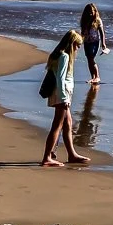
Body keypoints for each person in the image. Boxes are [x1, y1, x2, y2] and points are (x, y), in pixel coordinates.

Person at [40, 30, 90, 167]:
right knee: (57, 125)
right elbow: (61, 79)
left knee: (68, 123)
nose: (78, 49)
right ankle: (47, 157)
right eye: (77, 46)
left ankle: (72, 154)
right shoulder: (64, 56)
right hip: (61, 94)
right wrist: (64, 98)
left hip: (61, 94)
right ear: (72, 44)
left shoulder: (57, 55)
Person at [80, 3, 108, 83]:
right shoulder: (84, 20)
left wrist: (103, 44)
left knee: (91, 59)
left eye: (92, 11)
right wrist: (80, 41)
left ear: (95, 11)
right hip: (86, 42)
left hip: (95, 42)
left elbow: (102, 32)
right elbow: (82, 31)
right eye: (88, 12)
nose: (90, 13)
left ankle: (97, 76)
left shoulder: (97, 20)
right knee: (89, 59)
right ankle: (93, 77)